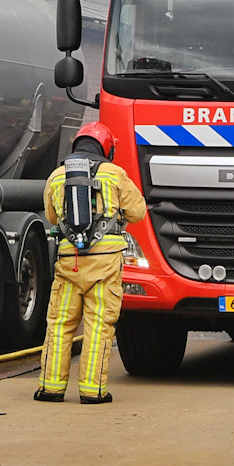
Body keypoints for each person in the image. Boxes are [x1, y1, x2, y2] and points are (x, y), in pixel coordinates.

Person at [36, 122, 148, 405]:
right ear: (106, 148)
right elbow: (137, 212)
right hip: (105, 265)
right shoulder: (114, 174)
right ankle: (92, 391)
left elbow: (51, 217)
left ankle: (51, 388)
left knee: (60, 325)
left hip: (69, 262)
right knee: (99, 326)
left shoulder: (57, 175)